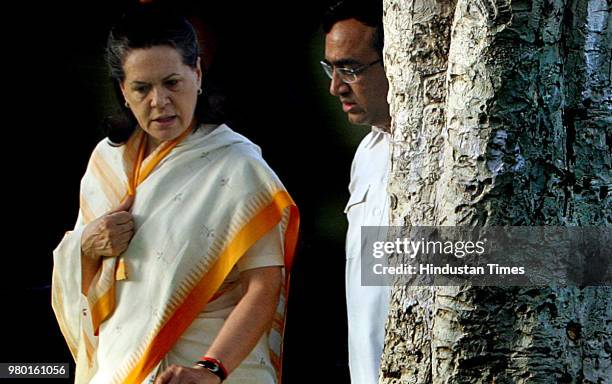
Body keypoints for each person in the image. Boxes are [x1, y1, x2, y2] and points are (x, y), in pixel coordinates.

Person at [51, 7, 299, 384]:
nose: (159, 101)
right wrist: (88, 245)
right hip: (118, 368)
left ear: (196, 74)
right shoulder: (106, 163)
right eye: (142, 88)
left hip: (211, 370)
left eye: (172, 83)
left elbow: (264, 285)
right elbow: (81, 270)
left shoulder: (237, 164)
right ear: (123, 90)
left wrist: (211, 369)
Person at [320, 1, 392, 383]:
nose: (336, 87)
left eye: (350, 68)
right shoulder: (366, 154)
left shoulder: (454, 153)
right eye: (330, 69)